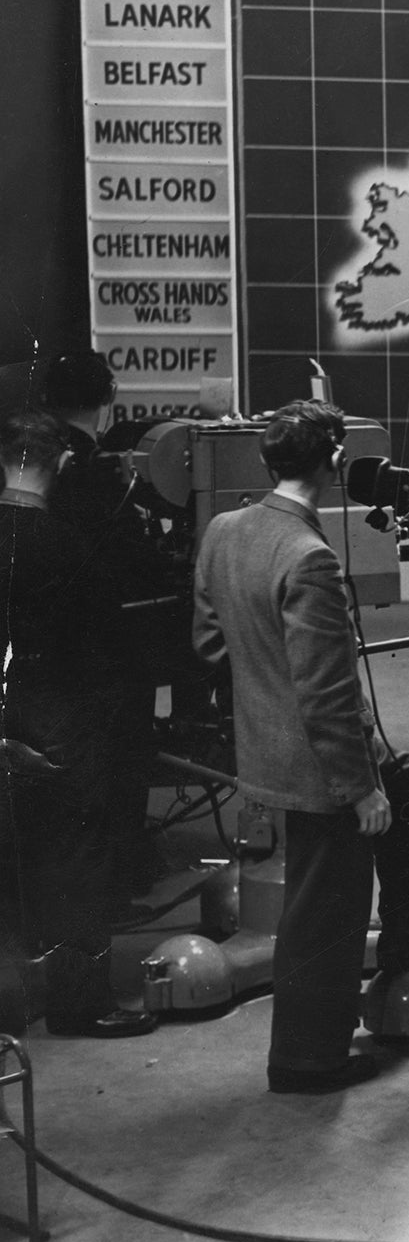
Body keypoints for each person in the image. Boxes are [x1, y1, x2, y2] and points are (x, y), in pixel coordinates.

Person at [192, 400, 409, 1094]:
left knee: (408, 778)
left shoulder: (223, 531)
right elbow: (325, 694)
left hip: (266, 751)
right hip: (316, 766)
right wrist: (356, 788)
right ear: (335, 460)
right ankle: (308, 1061)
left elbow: (209, 644)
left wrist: (265, 689)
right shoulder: (309, 557)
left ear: (266, 459)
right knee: (325, 915)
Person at [0, 411, 157, 1037]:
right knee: (75, 851)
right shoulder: (65, 545)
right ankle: (80, 1002)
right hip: (57, 709)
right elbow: (107, 639)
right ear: (58, 462)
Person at [37, 349, 175, 898]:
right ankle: (119, 868)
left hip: (39, 637)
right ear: (109, 396)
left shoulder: (28, 454)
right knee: (121, 746)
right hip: (102, 641)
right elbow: (129, 561)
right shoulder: (96, 470)